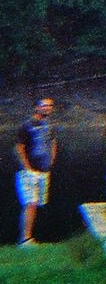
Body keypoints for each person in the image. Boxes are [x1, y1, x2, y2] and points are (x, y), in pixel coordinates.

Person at [15, 98, 55, 245]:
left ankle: (32, 237)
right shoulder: (27, 125)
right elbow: (19, 148)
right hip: (29, 172)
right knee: (30, 204)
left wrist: (51, 161)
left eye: (50, 106)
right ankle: (25, 239)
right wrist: (28, 167)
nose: (47, 108)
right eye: (44, 105)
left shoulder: (49, 125)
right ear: (37, 108)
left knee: (38, 204)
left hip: (44, 170)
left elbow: (52, 142)